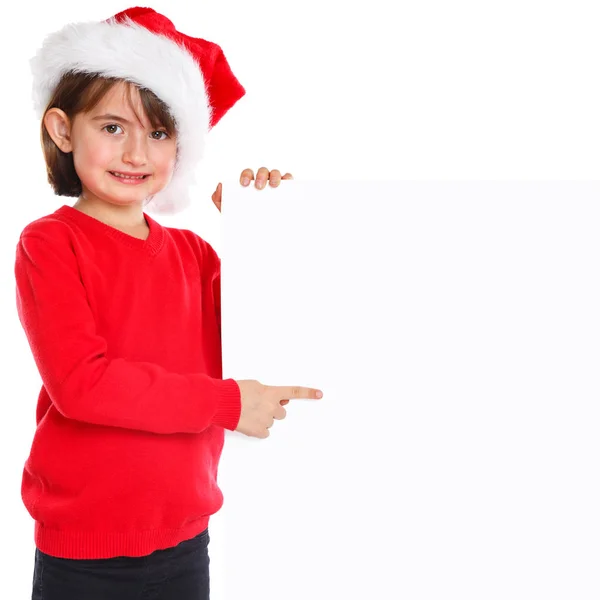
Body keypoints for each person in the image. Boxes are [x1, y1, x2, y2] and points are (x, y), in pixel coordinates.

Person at [15, 7, 323, 599]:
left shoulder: (196, 254)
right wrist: (227, 403)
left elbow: (274, 327)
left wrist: (267, 229)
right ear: (62, 130)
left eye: (157, 133)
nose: (135, 153)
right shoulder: (51, 243)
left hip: (187, 537)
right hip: (86, 551)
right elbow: (82, 384)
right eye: (112, 127)